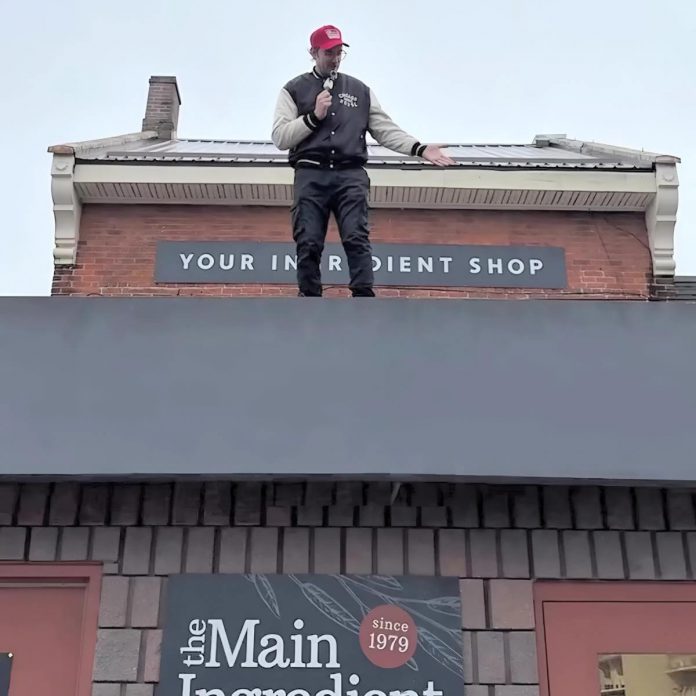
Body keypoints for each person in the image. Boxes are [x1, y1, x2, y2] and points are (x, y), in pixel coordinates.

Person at [271, 24, 455, 297]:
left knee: (356, 237)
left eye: (339, 52)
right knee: (308, 240)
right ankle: (308, 298)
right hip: (311, 174)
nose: (334, 58)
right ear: (313, 52)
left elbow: (384, 129)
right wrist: (312, 117)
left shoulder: (359, 90)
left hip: (350, 174)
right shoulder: (294, 89)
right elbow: (280, 136)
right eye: (328, 52)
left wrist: (419, 148)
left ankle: (363, 297)